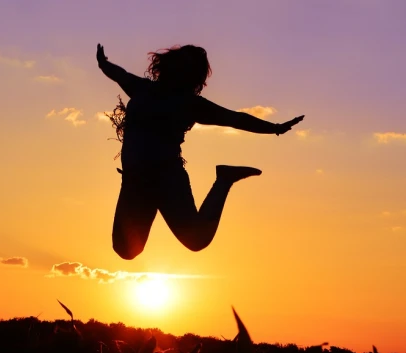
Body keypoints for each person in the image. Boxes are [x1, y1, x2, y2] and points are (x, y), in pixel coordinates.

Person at [97, 43, 304, 260]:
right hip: (136, 179)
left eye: (187, 67)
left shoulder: (190, 104)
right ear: (167, 66)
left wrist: (275, 128)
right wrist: (104, 64)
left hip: (167, 178)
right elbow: (120, 75)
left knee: (196, 240)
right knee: (126, 249)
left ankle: (224, 179)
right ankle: (223, 178)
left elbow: (235, 119)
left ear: (191, 76)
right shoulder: (142, 89)